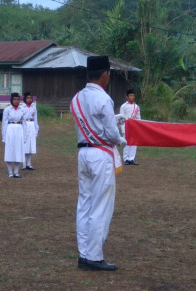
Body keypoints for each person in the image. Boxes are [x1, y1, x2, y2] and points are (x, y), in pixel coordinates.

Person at [71, 56, 125, 271]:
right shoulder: (104, 98)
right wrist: (121, 139)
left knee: (84, 203)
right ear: (105, 74)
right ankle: (94, 255)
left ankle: (84, 253)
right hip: (100, 155)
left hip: (83, 153)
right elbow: (111, 134)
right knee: (101, 205)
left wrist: (114, 120)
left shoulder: (76, 98)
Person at [2, 93, 26, 178]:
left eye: (18, 99)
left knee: (18, 150)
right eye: (14, 99)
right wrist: (4, 136)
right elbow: (4, 123)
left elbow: (24, 123)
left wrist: (25, 136)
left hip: (19, 129)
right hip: (10, 129)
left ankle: (16, 172)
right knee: (10, 150)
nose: (16, 101)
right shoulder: (7, 110)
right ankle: (10, 172)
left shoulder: (22, 110)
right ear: (11, 100)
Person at [119, 89, 141, 165]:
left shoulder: (137, 107)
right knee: (126, 142)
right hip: (126, 127)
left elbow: (138, 118)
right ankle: (125, 158)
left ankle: (131, 158)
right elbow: (121, 118)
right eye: (131, 95)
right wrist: (123, 129)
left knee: (134, 143)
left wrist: (139, 127)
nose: (132, 97)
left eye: (133, 95)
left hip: (134, 127)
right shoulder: (123, 106)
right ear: (127, 97)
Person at [21, 92, 39, 170]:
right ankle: (24, 164)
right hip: (25, 125)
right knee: (25, 145)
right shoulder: (22, 107)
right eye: (28, 98)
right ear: (25, 99)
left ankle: (29, 163)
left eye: (30, 98)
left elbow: (35, 119)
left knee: (30, 145)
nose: (29, 99)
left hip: (31, 125)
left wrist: (36, 129)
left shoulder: (33, 108)